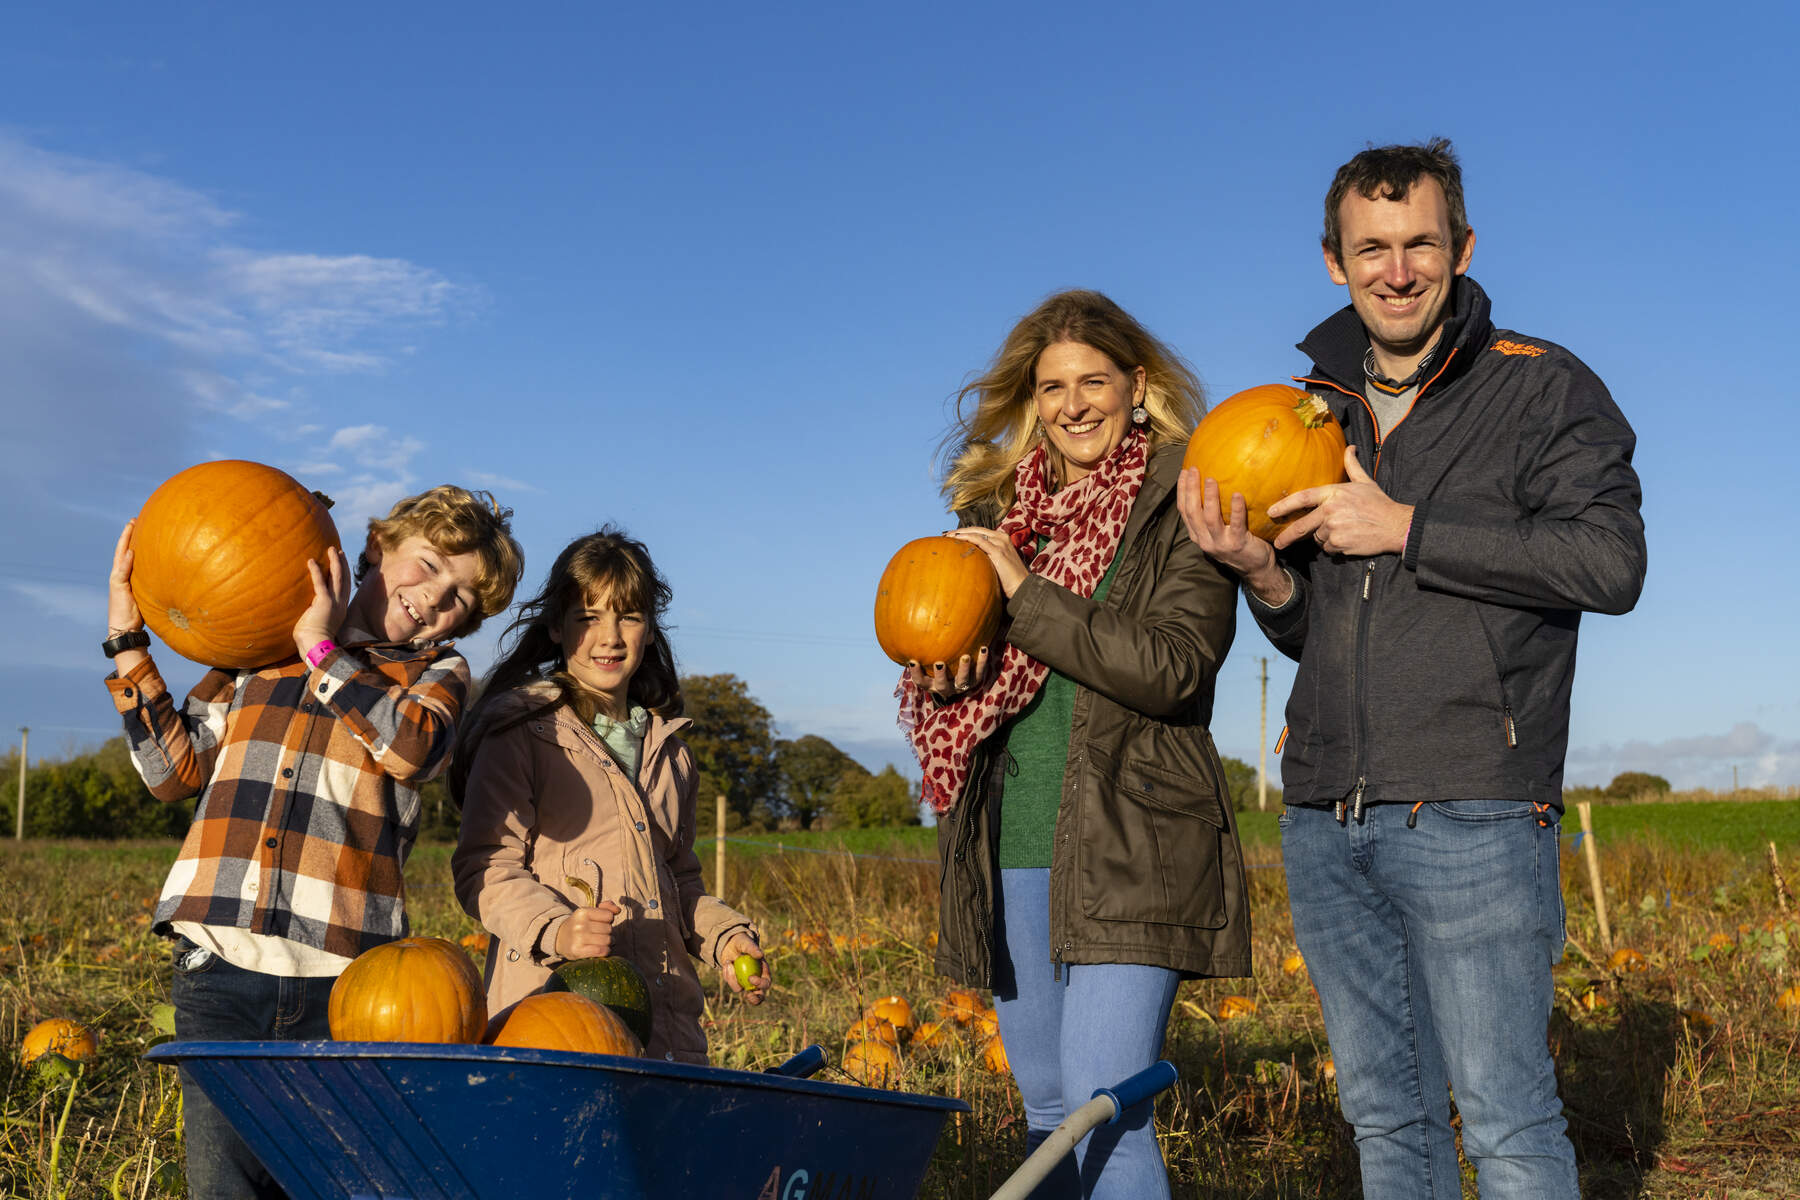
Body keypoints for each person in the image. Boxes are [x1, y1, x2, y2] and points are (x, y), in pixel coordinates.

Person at [1178, 138, 1646, 1198]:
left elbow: (1612, 564)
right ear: (1335, 262)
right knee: (1386, 1122)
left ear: (1463, 248)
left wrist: (1407, 528)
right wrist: (1263, 573)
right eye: (1371, 247)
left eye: (1420, 244)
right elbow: (1316, 632)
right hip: (1325, 817)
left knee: (1507, 1118)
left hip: (1475, 805)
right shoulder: (1311, 408)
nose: (1398, 269)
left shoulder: (1542, 388)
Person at [909, 290, 1249, 1199]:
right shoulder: (1000, 512)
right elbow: (959, 648)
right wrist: (945, 676)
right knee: (1048, 1114)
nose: (1072, 404)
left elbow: (1177, 667)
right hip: (1012, 839)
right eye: (1051, 387)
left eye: (1093, 381)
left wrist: (1025, 597)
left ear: (1136, 387)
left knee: (1106, 1109)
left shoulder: (1184, 498)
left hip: (1134, 838)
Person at [104, 484, 525, 1200]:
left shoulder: (435, 674)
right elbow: (172, 773)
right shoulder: (257, 646)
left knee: (325, 1181)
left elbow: (415, 751)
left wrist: (323, 652)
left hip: (344, 979)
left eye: (459, 598)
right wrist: (127, 642)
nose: (434, 597)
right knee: (223, 1184)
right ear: (372, 550)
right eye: (425, 566)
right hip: (220, 960)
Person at [451, 528, 770, 1065]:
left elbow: (679, 882)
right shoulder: (525, 736)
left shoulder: (671, 753)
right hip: (554, 1022)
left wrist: (724, 937)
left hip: (666, 1032)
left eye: (629, 616)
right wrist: (556, 928)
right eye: (588, 617)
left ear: (649, 629)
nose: (611, 636)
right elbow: (485, 869)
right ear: (556, 627)